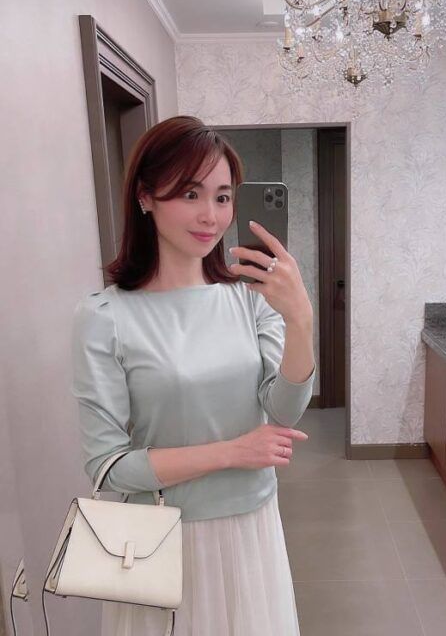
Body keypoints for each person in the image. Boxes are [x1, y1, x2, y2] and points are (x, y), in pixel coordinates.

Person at [70, 115, 316, 636]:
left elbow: (284, 410)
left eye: (223, 197)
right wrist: (232, 452)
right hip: (162, 540)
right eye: (190, 193)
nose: (211, 215)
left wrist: (300, 320)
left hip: (252, 526)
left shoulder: (250, 299)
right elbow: (107, 466)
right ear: (145, 197)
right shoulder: (105, 317)